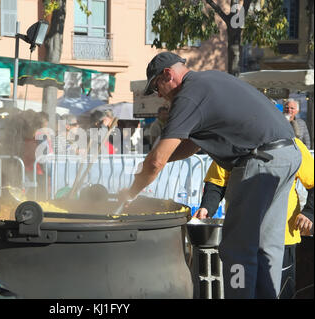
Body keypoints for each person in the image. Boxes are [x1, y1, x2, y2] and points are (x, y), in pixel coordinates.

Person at [118, 51, 301, 299]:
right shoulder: (210, 80)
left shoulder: (188, 96)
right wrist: (157, 159)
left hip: (258, 162)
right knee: (266, 247)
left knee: (238, 249)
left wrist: (129, 193)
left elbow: (156, 161)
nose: (158, 95)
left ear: (168, 74)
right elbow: (191, 145)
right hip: (286, 154)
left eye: (156, 87)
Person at [194, 138, 313, 299]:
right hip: (241, 238)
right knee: (240, 291)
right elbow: (217, 182)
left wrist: (309, 213)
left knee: (279, 293)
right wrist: (207, 207)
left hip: (282, 239)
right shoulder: (233, 141)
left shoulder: (292, 144)